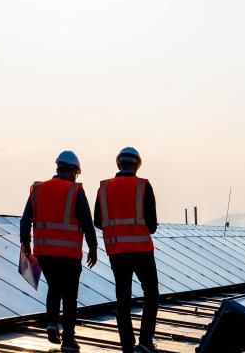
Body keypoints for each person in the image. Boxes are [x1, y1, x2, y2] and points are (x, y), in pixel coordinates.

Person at [20, 150, 98, 352]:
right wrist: (93, 247)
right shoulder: (75, 191)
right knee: (69, 295)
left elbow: (25, 219)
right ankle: (69, 340)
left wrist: (26, 243)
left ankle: (52, 323)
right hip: (69, 255)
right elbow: (87, 223)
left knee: (54, 287)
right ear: (73, 171)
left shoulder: (38, 190)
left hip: (44, 253)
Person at [95, 147, 159, 353]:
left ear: (118, 163)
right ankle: (145, 340)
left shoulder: (104, 188)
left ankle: (126, 343)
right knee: (151, 293)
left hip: (117, 251)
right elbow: (151, 226)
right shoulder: (143, 186)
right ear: (137, 165)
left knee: (123, 297)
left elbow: (98, 221)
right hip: (142, 250)